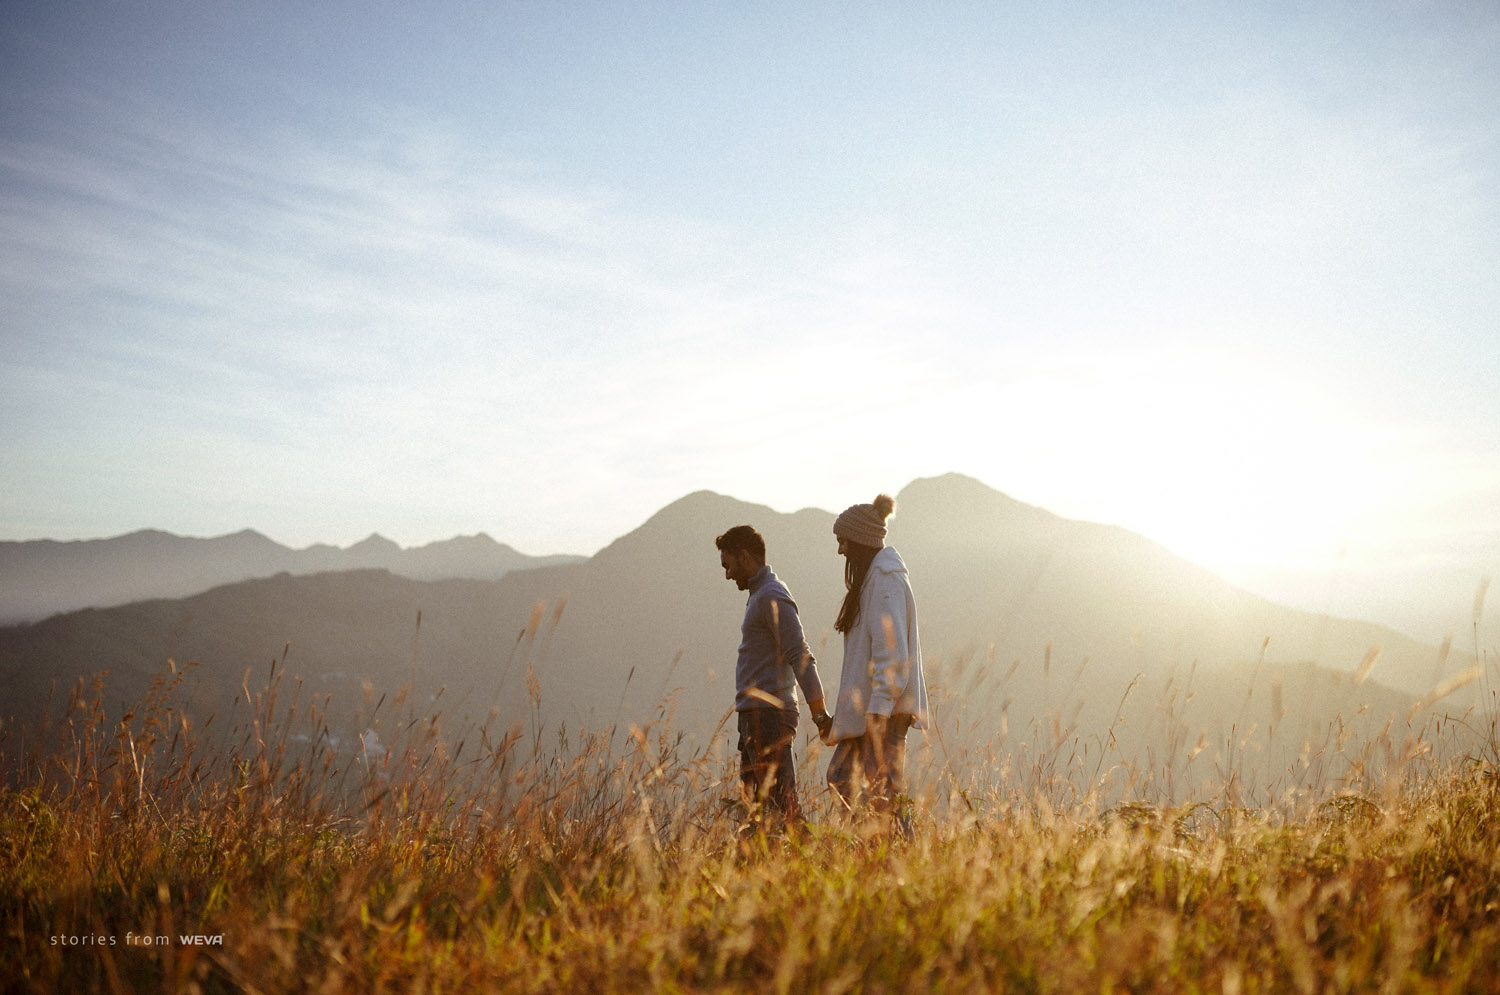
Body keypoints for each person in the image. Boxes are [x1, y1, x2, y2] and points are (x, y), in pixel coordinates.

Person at [824, 494, 928, 836]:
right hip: (871, 712)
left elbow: (893, 657)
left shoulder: (885, 581)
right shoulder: (875, 580)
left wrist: (878, 713)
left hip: (882, 714)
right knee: (848, 780)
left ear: (860, 541)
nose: (840, 550)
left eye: (843, 541)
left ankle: (898, 853)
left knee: (885, 794)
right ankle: (872, 846)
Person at [716, 524, 831, 830]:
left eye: (728, 565)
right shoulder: (759, 594)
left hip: (769, 717)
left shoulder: (772, 596)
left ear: (743, 556)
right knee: (757, 812)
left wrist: (820, 715)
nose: (727, 574)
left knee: (782, 809)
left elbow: (800, 655)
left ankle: (808, 864)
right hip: (756, 716)